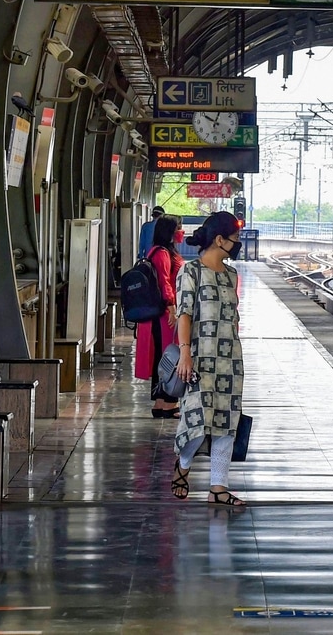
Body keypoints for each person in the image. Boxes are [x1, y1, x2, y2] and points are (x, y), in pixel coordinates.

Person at [171, 211, 247, 507]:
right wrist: (185, 353)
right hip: (199, 358)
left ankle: (219, 486)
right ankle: (184, 465)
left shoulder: (231, 274)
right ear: (219, 240)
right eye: (235, 238)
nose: (237, 243)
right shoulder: (190, 272)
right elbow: (184, 314)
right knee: (197, 419)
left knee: (226, 422)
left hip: (230, 359)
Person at [135, 215, 183, 419]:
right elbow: (164, 283)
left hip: (164, 313)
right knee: (168, 357)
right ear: (170, 232)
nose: (181, 232)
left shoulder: (161, 251)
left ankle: (162, 402)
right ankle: (167, 402)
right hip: (164, 315)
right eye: (178, 228)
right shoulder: (162, 254)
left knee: (163, 357)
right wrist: (172, 308)